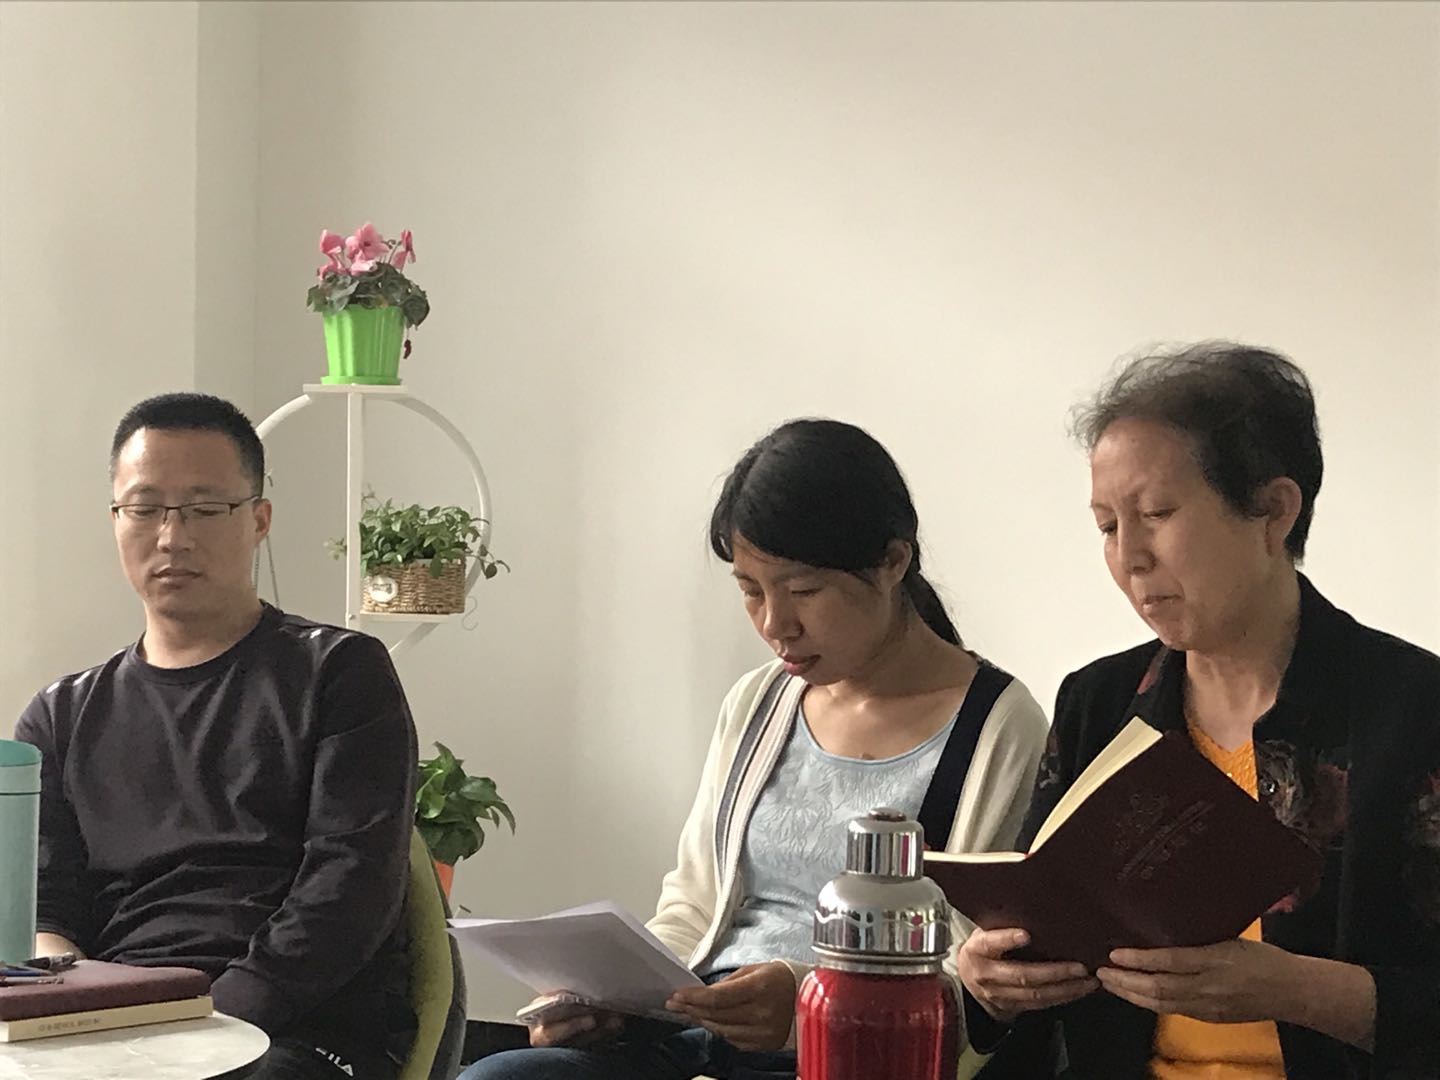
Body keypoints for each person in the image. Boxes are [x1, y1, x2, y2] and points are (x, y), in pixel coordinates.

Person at [462, 418, 1049, 1080]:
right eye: (749, 590)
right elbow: (694, 907)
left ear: (892, 561)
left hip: (854, 1056)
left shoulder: (998, 726)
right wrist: (614, 1002)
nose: (775, 623)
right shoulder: (760, 701)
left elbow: (972, 980)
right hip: (697, 1037)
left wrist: (801, 1005)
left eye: (804, 591)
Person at [960, 342, 1440, 1078]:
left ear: (1274, 512)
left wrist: (1300, 990)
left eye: (1156, 513)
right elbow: (1036, 932)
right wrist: (991, 981)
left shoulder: (1412, 710)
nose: (1131, 557)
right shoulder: (1100, 704)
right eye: (1107, 526)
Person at [15, 393, 420, 1080]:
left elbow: (349, 889)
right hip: (119, 1022)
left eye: (205, 508)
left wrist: (208, 1027)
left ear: (259, 520)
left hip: (296, 1024)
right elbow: (45, 910)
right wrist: (79, 1011)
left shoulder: (338, 673)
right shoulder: (60, 716)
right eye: (144, 509)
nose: (172, 537)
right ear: (116, 520)